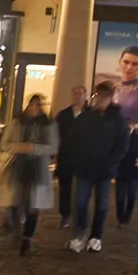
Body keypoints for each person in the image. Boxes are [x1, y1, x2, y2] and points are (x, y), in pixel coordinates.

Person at [63, 83, 128, 254]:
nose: (99, 99)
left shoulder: (117, 120)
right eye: (97, 95)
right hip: (84, 168)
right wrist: (76, 159)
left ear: (110, 98)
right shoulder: (86, 117)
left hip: (104, 170)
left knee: (101, 205)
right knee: (80, 203)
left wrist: (110, 162)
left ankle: (96, 237)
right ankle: (79, 235)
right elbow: (72, 139)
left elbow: (122, 144)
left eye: (103, 96)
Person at [0, 94, 58, 255]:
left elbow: (53, 147)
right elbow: (4, 144)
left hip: (38, 169)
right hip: (18, 167)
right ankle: (14, 226)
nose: (35, 108)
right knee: (15, 201)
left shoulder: (48, 125)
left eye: (38, 105)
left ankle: (27, 237)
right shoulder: (17, 123)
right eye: (32, 105)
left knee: (33, 205)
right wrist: (19, 147)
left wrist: (35, 148)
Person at [53, 86, 85, 227]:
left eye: (80, 93)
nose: (77, 96)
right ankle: (65, 214)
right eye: (75, 94)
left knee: (82, 188)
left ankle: (80, 215)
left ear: (85, 95)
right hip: (66, 157)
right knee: (64, 188)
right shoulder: (63, 115)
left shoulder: (90, 114)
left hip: (84, 158)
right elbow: (56, 135)